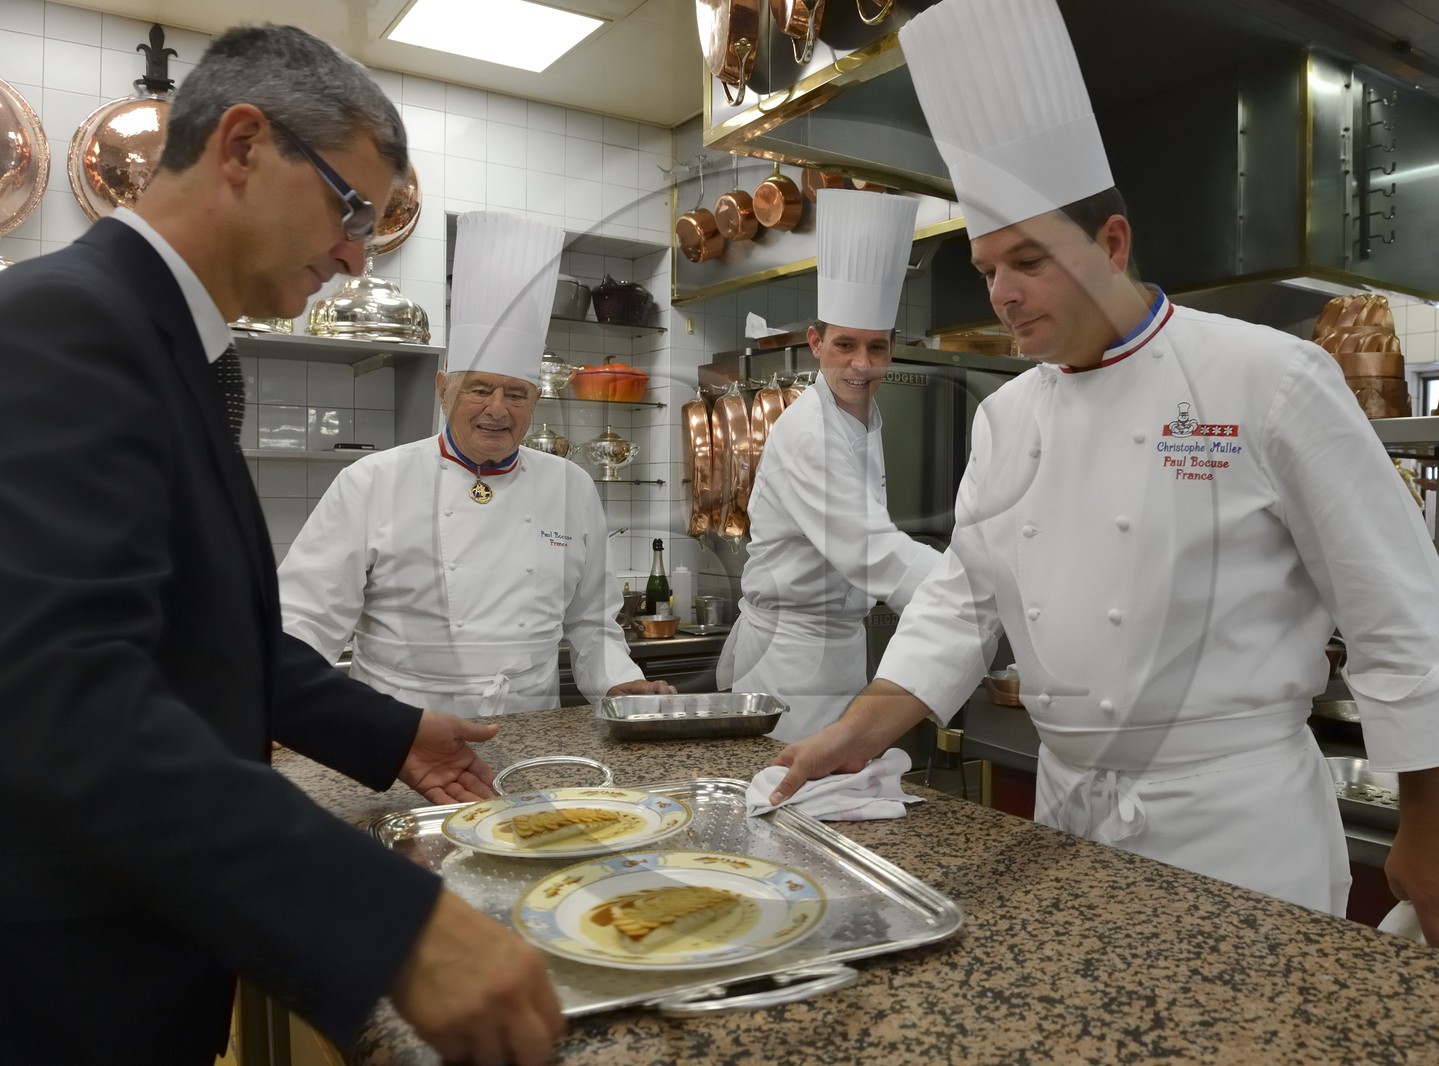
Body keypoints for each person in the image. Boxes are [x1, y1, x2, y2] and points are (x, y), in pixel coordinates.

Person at [768, 0, 1439, 950]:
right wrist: (857, 731)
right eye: (990, 267)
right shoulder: (1007, 417)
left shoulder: (1269, 377)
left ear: (1111, 245)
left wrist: (1432, 818)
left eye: (1030, 259)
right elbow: (961, 604)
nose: (1004, 292)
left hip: (1238, 823)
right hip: (1073, 814)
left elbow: (1394, 606)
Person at [0, 26, 562, 1065]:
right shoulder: (64, 325)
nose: (356, 253)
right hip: (53, 988)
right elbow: (54, 696)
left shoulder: (168, 340)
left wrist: (393, 733)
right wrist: (397, 923)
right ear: (244, 146)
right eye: (353, 210)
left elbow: (198, 632)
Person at [278, 211, 673, 716]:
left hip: (529, 724)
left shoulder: (570, 485)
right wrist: (278, 702)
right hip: (405, 731)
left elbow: (593, 621)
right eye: (479, 389)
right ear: (443, 391)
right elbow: (306, 618)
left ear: (534, 401)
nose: (497, 409)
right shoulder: (371, 482)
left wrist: (619, 685)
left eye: (515, 393)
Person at [717, 190, 941, 742]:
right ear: (816, 343)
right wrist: (977, 592)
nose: (861, 365)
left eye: (877, 349)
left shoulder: (863, 418)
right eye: (845, 345)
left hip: (841, 644)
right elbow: (873, 551)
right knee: (787, 799)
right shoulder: (808, 431)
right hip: (787, 657)